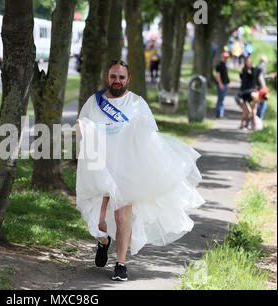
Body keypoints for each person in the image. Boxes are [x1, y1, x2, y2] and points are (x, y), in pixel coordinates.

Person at [75, 60, 204, 281]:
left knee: (122, 216)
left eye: (121, 77)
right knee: (100, 220)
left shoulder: (137, 103)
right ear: (108, 77)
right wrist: (85, 130)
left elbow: (150, 136)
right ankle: (104, 240)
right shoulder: (94, 102)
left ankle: (121, 263)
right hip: (99, 168)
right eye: (113, 76)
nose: (117, 81)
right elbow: (81, 126)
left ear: (129, 79)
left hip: (127, 169)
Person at [235, 56, 260, 130]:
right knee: (248, 111)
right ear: (245, 62)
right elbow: (243, 82)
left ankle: (247, 124)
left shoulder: (254, 70)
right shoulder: (243, 71)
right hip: (244, 94)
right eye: (247, 61)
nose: (248, 63)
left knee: (251, 111)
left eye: (249, 61)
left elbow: (257, 79)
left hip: (251, 92)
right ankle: (244, 124)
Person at [214, 52, 230, 119]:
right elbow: (218, 76)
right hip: (222, 84)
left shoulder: (224, 65)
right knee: (220, 100)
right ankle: (219, 114)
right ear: (222, 57)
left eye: (227, 58)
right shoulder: (220, 65)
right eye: (225, 57)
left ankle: (219, 114)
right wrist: (220, 84)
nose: (226, 59)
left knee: (221, 99)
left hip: (225, 84)